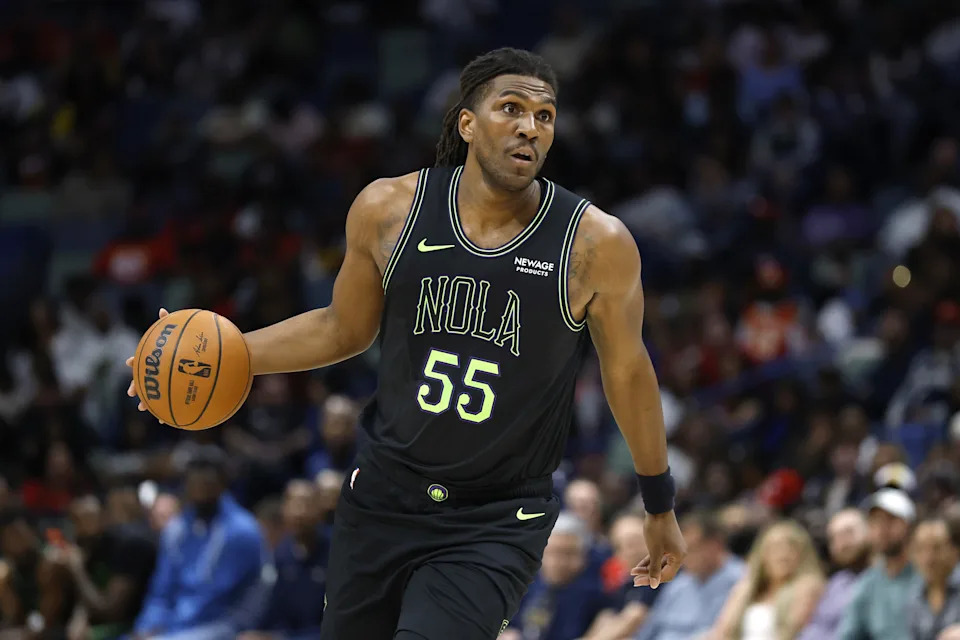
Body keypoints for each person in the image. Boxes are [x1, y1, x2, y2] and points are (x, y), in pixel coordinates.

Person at [126, 47, 685, 640]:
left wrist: (658, 502)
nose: (530, 126)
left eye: (544, 116)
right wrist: (219, 354)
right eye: (512, 109)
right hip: (383, 496)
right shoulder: (390, 209)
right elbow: (344, 328)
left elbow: (628, 372)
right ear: (467, 124)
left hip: (493, 517)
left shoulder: (596, 244)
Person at [132, 447, 272, 640]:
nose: (200, 493)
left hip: (222, 626)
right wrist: (146, 626)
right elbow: (161, 591)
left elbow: (215, 598)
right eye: (194, 485)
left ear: (222, 484)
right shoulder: (177, 528)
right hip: (173, 627)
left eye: (207, 485)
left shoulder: (242, 531)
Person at [48, 495, 157, 640]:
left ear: (105, 517)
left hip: (137, 623)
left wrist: (76, 569)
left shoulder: (128, 545)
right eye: (76, 521)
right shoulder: (90, 545)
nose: (82, 526)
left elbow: (110, 611)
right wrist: (81, 617)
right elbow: (88, 591)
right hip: (106, 623)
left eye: (89, 518)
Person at [241, 480, 330, 640]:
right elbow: (269, 615)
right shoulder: (280, 554)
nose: (299, 512)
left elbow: (335, 627)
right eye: (292, 503)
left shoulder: (334, 554)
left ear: (320, 510)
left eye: (306, 504)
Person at [501, 512, 611, 640]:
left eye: (567, 554)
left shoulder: (596, 595)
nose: (558, 562)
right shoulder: (525, 586)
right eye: (551, 552)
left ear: (584, 556)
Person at [637, 511, 744, 640]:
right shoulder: (679, 585)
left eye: (691, 549)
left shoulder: (742, 580)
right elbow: (648, 630)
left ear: (716, 545)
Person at [711, 520, 824, 640]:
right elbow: (722, 632)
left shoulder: (808, 587)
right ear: (762, 554)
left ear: (803, 554)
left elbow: (793, 631)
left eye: (791, 547)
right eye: (775, 547)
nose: (783, 554)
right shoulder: (746, 589)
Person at [838, 488, 922, 640]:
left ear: (909, 525)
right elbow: (848, 634)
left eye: (890, 520)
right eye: (875, 521)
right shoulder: (868, 582)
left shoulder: (928, 574)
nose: (882, 528)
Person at [582, 511, 659, 640]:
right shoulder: (627, 584)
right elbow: (608, 616)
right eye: (626, 545)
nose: (634, 551)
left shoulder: (662, 574)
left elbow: (634, 617)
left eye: (638, 542)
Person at [798, 508, 871, 640]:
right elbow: (817, 627)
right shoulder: (837, 582)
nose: (842, 543)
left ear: (870, 532)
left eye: (848, 533)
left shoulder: (884, 578)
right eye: (834, 538)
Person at [908, 518, 960, 640]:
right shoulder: (913, 596)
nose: (928, 558)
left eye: (936, 548)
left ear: (954, 550)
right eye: (920, 549)